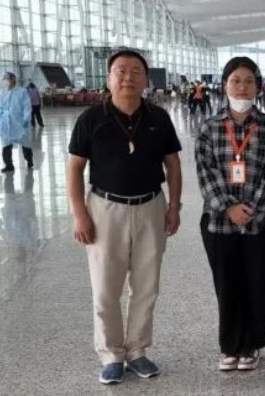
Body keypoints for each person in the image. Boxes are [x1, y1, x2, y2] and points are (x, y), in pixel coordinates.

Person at [67, 49, 183, 385]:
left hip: (151, 206)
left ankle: (137, 350)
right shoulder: (91, 119)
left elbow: (173, 164)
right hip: (105, 209)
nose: (127, 77)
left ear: (146, 80)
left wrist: (174, 206)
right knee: (106, 287)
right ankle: (111, 354)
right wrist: (80, 214)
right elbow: (74, 169)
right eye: (120, 71)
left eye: (135, 71)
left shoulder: (158, 117)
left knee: (146, 285)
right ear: (109, 78)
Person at [196, 57, 265, 373]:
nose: (242, 87)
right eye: (236, 80)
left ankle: (252, 344)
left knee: (257, 282)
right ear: (224, 85)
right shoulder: (209, 127)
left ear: (258, 87)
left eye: (248, 81)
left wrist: (254, 209)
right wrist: (229, 207)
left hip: (262, 223)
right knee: (227, 284)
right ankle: (230, 346)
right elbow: (205, 172)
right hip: (219, 223)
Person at [0, 71, 34, 173]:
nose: (5, 81)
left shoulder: (22, 92)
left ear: (13, 79)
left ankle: (29, 160)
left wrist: (26, 118)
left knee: (25, 143)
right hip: (5, 122)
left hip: (20, 121)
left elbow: (27, 106)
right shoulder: (2, 93)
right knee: (6, 144)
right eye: (4, 79)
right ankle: (8, 165)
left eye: (7, 79)